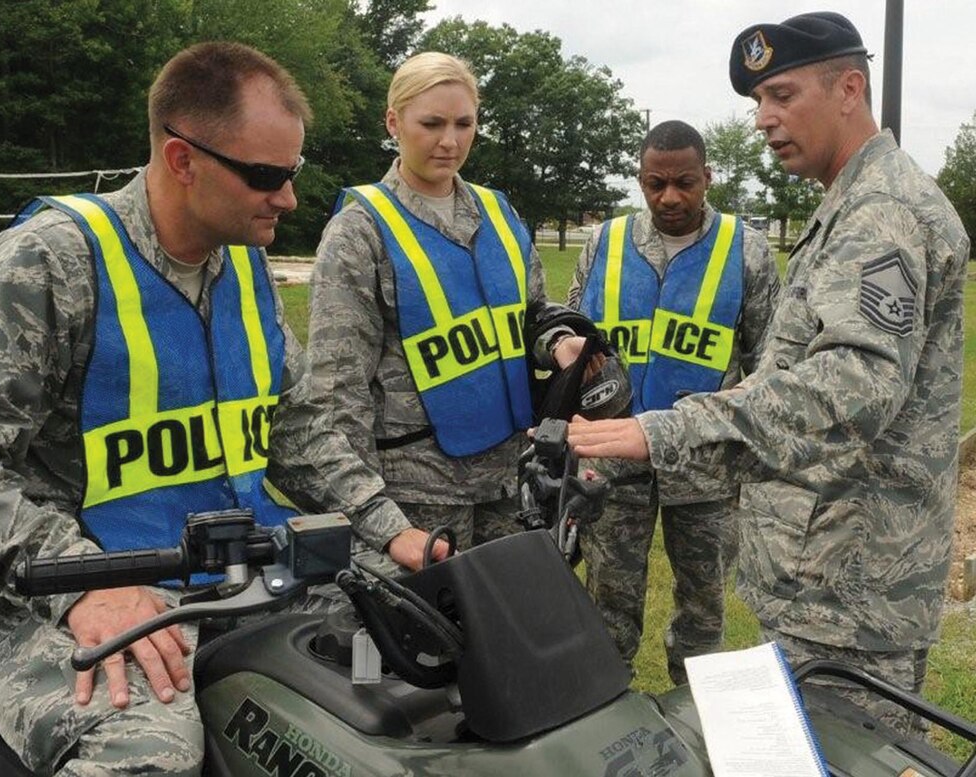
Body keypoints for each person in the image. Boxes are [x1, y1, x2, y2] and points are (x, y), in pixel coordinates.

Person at [0, 42, 401, 776]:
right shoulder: (50, 264)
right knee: (146, 757)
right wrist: (86, 584)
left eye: (289, 174)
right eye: (266, 176)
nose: (288, 198)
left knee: (401, 682)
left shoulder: (244, 267)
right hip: (57, 587)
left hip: (237, 575)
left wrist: (394, 530)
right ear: (182, 159)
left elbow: (297, 428)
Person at [566, 12, 969, 734]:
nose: (763, 120)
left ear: (849, 87)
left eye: (781, 95)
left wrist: (672, 427)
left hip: (854, 594)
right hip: (822, 581)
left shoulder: (882, 211)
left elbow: (853, 386)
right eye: (758, 102)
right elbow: (784, 369)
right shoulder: (849, 204)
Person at [284, 51, 589, 574]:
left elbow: (532, 310)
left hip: (508, 478)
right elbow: (340, 389)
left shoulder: (498, 212)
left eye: (463, 123)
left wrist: (559, 339)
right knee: (431, 647)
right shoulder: (361, 231)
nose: (450, 141)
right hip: (415, 492)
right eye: (431, 124)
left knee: (514, 636)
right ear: (393, 122)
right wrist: (372, 516)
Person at [567, 119, 779, 684]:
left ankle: (697, 722)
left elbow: (771, 364)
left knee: (703, 614)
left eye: (685, 182)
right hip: (612, 462)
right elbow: (570, 336)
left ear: (707, 177)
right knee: (607, 607)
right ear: (639, 179)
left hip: (705, 465)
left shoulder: (746, 249)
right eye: (655, 183)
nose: (670, 197)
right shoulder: (603, 243)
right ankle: (606, 715)